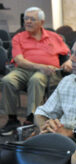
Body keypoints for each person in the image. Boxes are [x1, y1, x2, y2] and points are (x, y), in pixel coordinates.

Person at [0, 7, 71, 136]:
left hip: (49, 72)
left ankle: (31, 118)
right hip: (24, 69)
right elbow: (19, 60)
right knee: (7, 80)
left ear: (42, 22)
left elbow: (68, 55)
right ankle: (12, 119)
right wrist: (39, 66)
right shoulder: (18, 37)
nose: (27, 21)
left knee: (36, 79)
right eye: (26, 18)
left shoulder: (55, 37)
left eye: (32, 19)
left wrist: (68, 62)